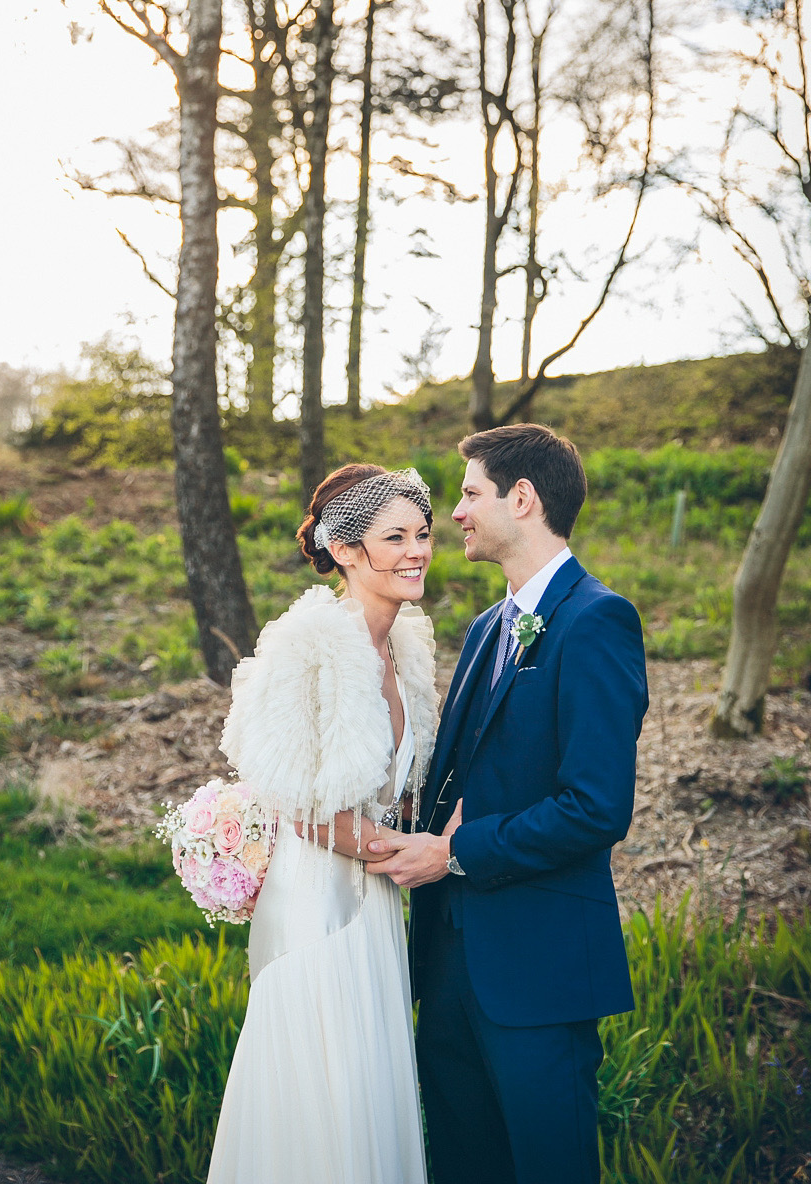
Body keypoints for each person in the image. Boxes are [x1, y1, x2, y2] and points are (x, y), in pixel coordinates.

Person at [368, 424, 649, 1184]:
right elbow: (458, 781)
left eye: (469, 493)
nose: (454, 513)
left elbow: (595, 808)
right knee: (465, 1166)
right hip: (449, 962)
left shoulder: (597, 622)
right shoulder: (488, 625)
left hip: (537, 969)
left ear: (521, 498)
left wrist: (455, 852)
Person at [207, 463, 441, 1184]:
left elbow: (399, 789)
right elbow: (294, 801)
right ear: (344, 550)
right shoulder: (307, 644)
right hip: (318, 905)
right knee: (326, 1098)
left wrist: (430, 831)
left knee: (371, 1090)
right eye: (394, 536)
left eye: (424, 533)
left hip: (375, 900)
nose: (417, 551)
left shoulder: (405, 646)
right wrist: (422, 853)